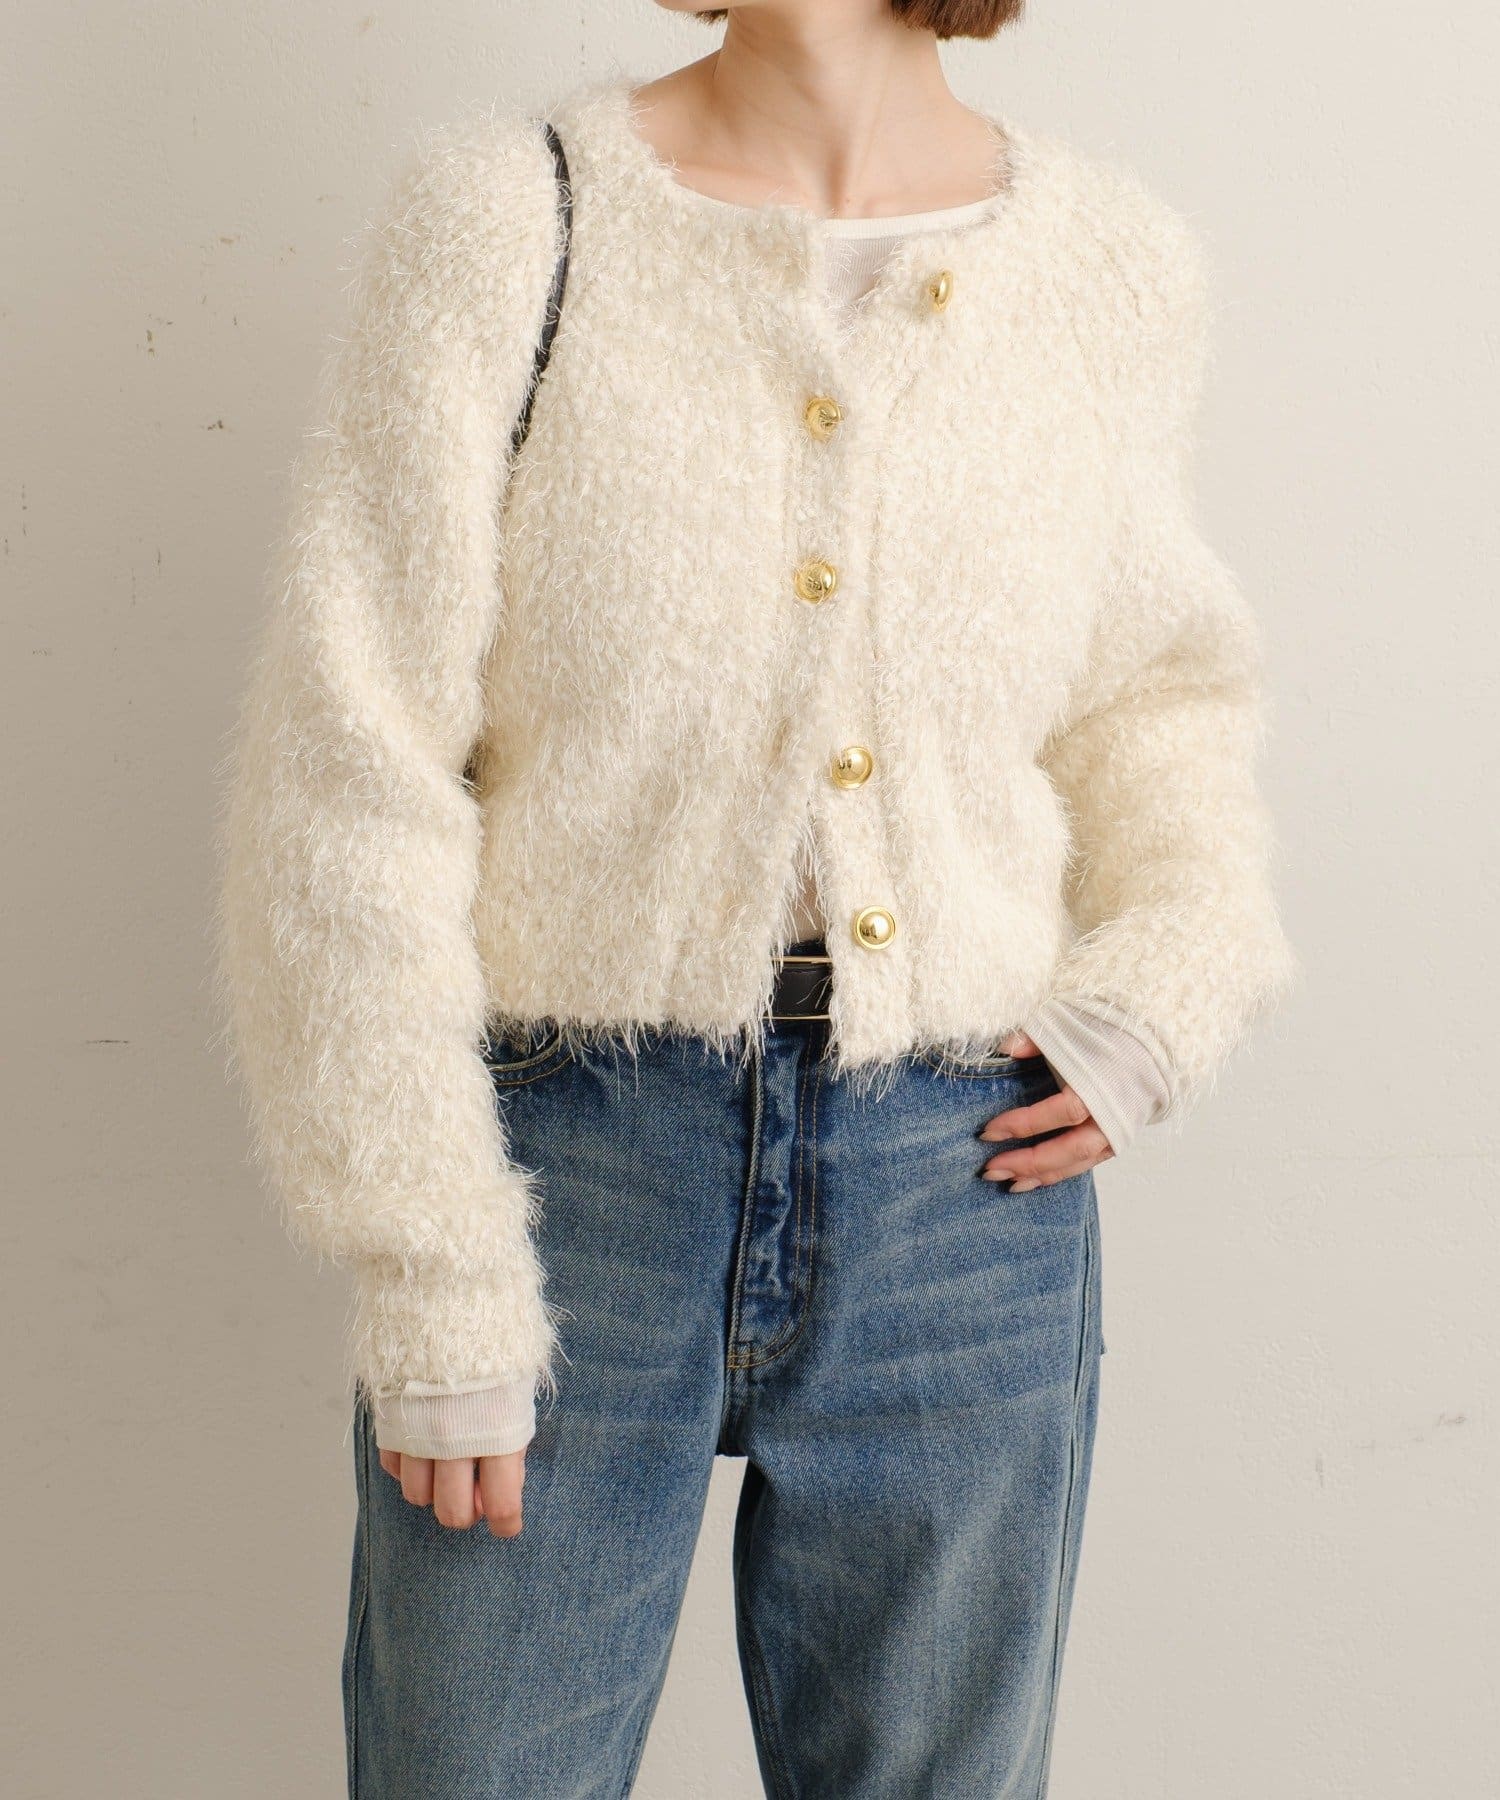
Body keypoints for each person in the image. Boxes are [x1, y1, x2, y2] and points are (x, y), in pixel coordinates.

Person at [215, 2, 1296, 1793]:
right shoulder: (510, 218)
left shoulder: (1110, 262)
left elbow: (1156, 695)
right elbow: (352, 764)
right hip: (569, 1172)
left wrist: (1172, 974)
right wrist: (428, 1261)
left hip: (966, 1176)